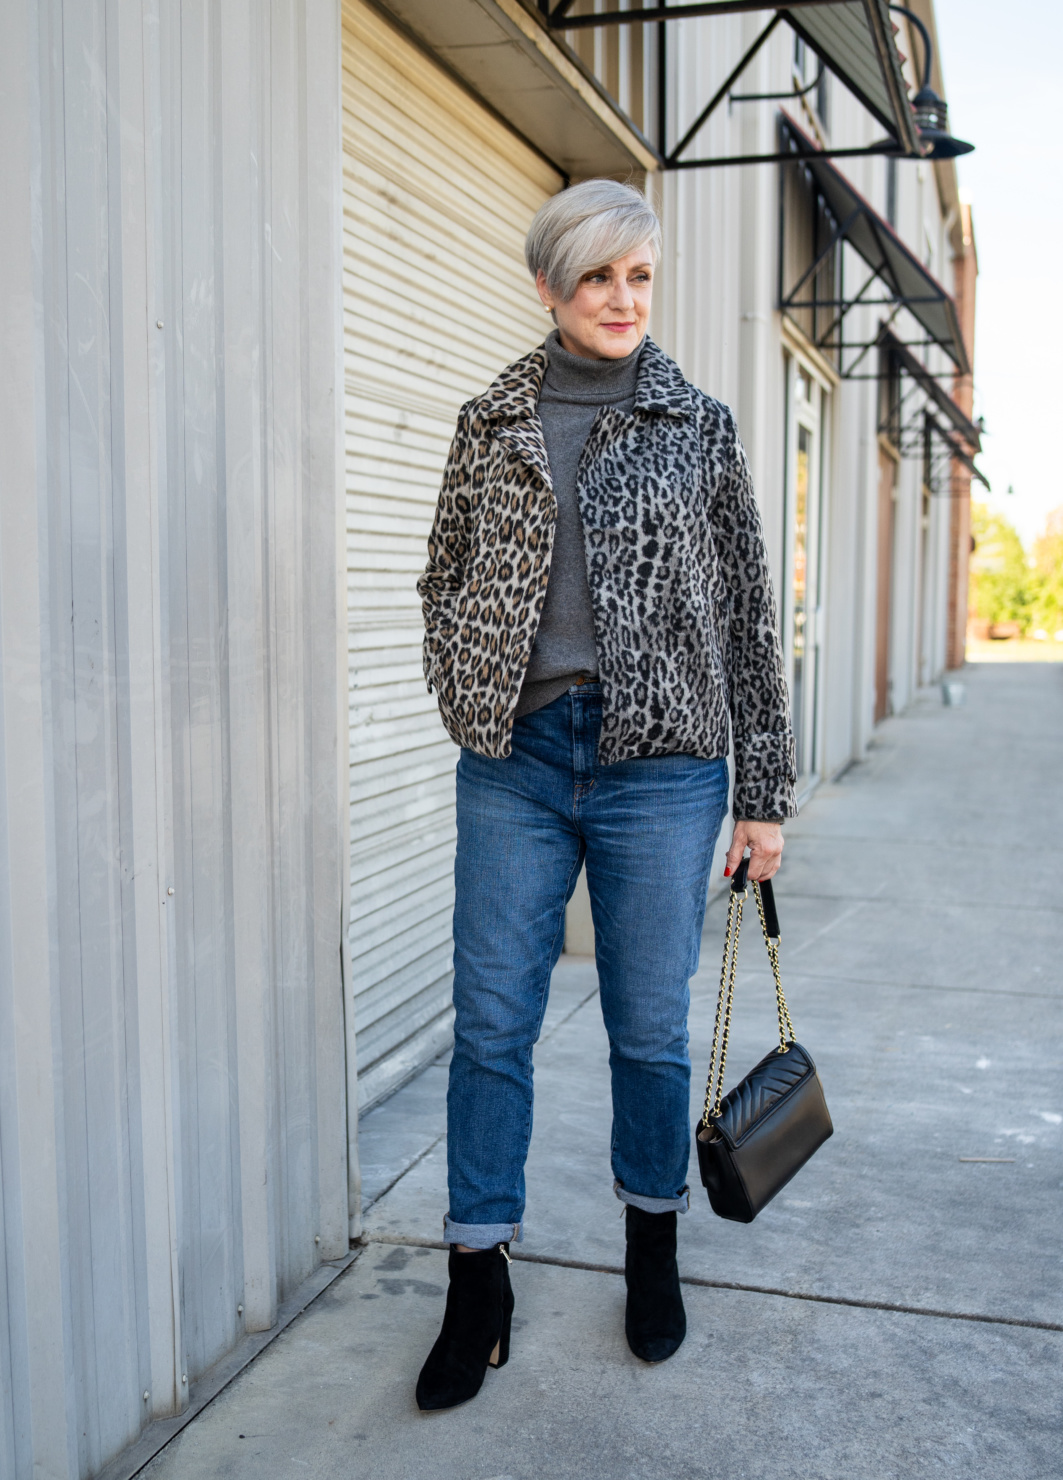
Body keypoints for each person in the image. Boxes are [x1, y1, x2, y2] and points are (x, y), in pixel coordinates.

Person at [414, 178, 795, 1411]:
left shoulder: (699, 424)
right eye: (596, 277)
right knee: (492, 1027)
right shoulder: (491, 421)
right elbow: (442, 578)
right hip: (516, 763)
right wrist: (469, 692)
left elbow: (744, 612)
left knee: (645, 1029)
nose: (622, 299)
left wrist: (762, 793)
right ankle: (479, 1280)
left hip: (662, 769)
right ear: (548, 287)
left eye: (639, 276)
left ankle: (650, 1246)